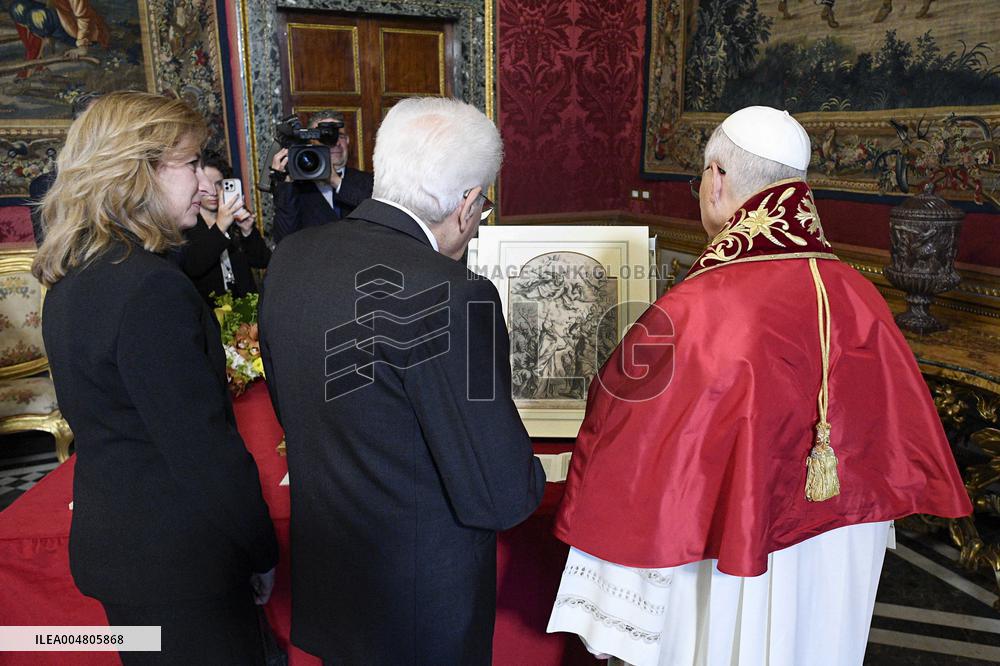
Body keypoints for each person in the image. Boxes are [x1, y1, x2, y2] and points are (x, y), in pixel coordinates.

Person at [547, 106, 971, 666]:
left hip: (732, 543)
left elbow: (628, 428)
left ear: (716, 179)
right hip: (838, 539)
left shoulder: (696, 308)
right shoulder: (860, 293)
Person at [259, 96, 545, 665]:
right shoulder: (456, 293)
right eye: (483, 205)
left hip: (335, 582)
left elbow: (295, 414)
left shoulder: (293, 256)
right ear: (467, 204)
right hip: (420, 610)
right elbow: (501, 495)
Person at [33, 91, 279, 665]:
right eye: (191, 164)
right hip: (180, 565)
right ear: (138, 171)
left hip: (123, 551)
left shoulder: (74, 274)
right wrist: (261, 550)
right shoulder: (150, 288)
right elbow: (202, 451)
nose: (203, 182)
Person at [180, 151, 271, 307]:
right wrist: (220, 227)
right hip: (211, 310)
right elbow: (193, 266)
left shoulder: (235, 219)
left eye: (219, 184)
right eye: (206, 183)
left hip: (246, 308)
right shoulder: (187, 223)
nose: (213, 191)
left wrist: (247, 231)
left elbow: (262, 260)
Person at [269, 109, 374, 243]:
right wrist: (285, 183)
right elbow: (284, 240)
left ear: (348, 140)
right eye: (325, 136)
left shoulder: (368, 181)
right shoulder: (296, 189)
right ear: (311, 142)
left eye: (340, 136)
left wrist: (336, 181)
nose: (335, 143)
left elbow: (381, 216)